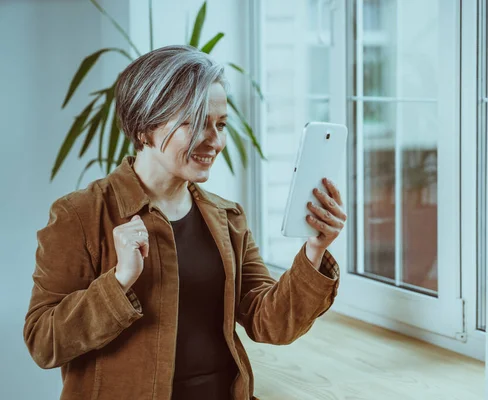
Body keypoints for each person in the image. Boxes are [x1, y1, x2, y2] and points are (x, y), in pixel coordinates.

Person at [23, 45, 346, 400]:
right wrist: (119, 281)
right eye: (194, 123)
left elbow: (270, 323)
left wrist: (314, 250)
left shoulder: (227, 217)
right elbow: (43, 342)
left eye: (220, 124)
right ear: (146, 126)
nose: (216, 141)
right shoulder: (79, 215)